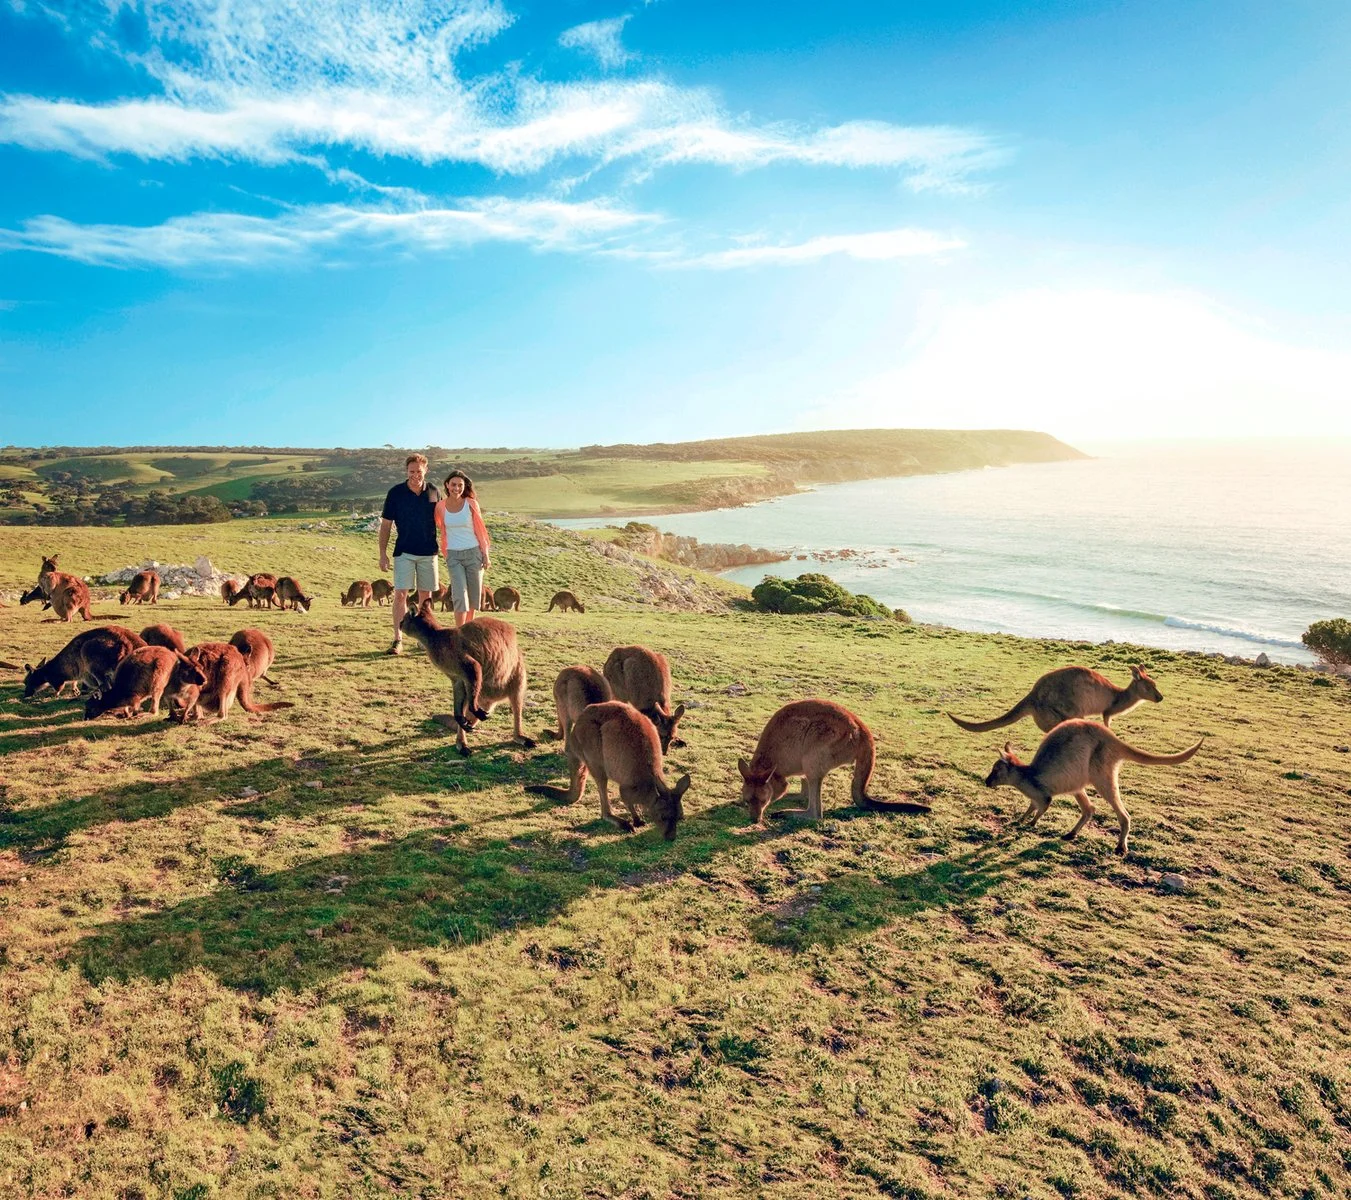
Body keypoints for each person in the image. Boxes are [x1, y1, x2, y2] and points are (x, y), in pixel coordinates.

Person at [378, 454, 444, 655]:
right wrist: (382, 554)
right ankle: (398, 640)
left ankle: (424, 640)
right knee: (400, 595)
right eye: (412, 472)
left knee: (426, 598)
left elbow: (443, 522)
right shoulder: (395, 493)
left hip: (428, 553)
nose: (415, 475)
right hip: (404, 552)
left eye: (419, 472)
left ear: (426, 471)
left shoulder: (434, 492)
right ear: (406, 472)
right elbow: (386, 526)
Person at [436, 469, 492, 627]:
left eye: (460, 485)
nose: (456, 488)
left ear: (464, 486)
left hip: (474, 553)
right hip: (453, 556)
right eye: (453, 484)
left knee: (474, 595)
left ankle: (468, 631)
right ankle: (459, 632)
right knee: (460, 594)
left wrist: (485, 555)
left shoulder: (471, 504)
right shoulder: (440, 506)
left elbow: (480, 531)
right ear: (447, 485)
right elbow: (441, 528)